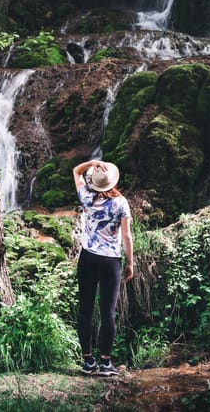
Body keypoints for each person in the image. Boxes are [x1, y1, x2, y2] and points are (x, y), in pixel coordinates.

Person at [72, 159, 133, 376]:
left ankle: (88, 361)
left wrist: (91, 162)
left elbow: (76, 172)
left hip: (87, 258)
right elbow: (126, 235)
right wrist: (130, 263)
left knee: (85, 309)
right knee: (107, 312)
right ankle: (106, 363)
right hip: (110, 261)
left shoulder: (86, 197)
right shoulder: (121, 203)